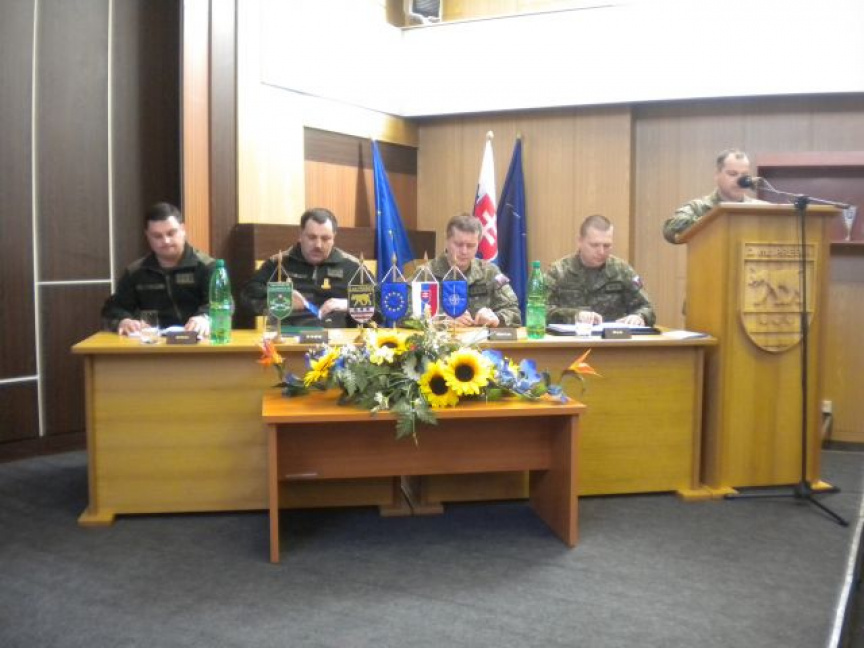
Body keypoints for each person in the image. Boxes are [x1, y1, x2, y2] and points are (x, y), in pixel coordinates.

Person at [102, 203, 214, 336]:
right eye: (157, 236)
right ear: (147, 236)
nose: (166, 241)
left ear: (183, 230)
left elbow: (223, 304)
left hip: (198, 340)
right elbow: (114, 308)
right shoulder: (136, 272)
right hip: (152, 341)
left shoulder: (207, 267)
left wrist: (205, 317)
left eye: (171, 233)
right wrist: (123, 320)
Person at [241, 207, 360, 327]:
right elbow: (247, 298)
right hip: (288, 334)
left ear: (333, 238)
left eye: (325, 238)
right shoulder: (278, 263)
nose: (318, 245)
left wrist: (349, 304)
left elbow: (372, 305)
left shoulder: (352, 267)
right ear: (301, 235)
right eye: (312, 237)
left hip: (336, 336)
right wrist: (280, 296)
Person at [546, 214, 656, 326]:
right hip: (573, 335)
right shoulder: (558, 271)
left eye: (607, 246)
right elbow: (541, 310)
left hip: (612, 335)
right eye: (594, 245)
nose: (601, 252)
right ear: (580, 241)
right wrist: (575, 316)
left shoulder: (622, 270)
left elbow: (647, 308)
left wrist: (639, 317)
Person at [427, 213, 521, 328]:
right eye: (458, 244)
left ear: (478, 244)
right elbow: (407, 313)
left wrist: (495, 319)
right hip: (441, 338)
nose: (464, 251)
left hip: (481, 338)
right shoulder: (427, 273)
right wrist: (441, 319)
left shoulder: (490, 272)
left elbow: (514, 311)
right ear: (447, 241)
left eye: (471, 246)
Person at [663, 148, 764, 243]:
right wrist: (712, 222)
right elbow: (670, 231)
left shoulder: (762, 209)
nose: (740, 181)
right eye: (732, 174)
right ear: (717, 174)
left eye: (744, 175)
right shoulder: (697, 207)